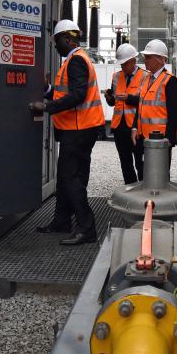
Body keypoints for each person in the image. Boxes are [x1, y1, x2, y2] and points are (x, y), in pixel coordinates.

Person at [29, 19, 105, 245]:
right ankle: (62, 221)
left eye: (56, 40)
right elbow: (65, 94)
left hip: (79, 129)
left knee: (70, 178)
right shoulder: (74, 60)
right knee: (69, 178)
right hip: (79, 128)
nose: (54, 45)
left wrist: (47, 107)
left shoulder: (76, 61)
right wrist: (46, 90)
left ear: (68, 39)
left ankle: (86, 228)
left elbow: (78, 95)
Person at [131, 39, 177, 171]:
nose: (145, 60)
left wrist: (168, 140)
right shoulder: (145, 78)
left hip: (160, 141)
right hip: (142, 138)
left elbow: (174, 114)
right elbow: (140, 106)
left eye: (148, 57)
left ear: (160, 59)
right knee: (142, 173)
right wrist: (134, 127)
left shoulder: (170, 81)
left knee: (159, 177)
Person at [104, 43, 147, 183]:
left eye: (125, 64)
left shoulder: (145, 76)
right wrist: (109, 98)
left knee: (140, 163)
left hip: (136, 127)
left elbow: (146, 101)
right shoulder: (116, 76)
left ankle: (143, 189)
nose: (122, 67)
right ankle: (131, 188)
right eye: (121, 64)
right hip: (119, 126)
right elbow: (113, 102)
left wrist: (129, 98)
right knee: (125, 162)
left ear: (134, 61)